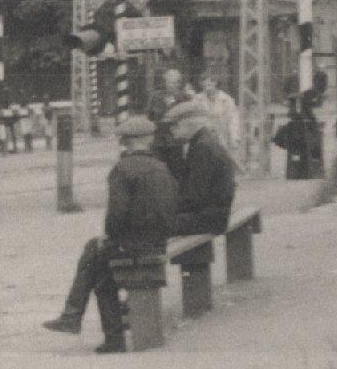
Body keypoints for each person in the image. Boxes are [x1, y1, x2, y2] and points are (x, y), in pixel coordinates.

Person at [44, 115, 177, 353]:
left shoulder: (122, 169)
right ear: (148, 140)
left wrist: (110, 236)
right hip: (157, 240)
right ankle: (75, 318)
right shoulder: (161, 167)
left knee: (94, 255)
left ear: (126, 141)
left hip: (134, 243)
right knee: (101, 271)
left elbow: (117, 213)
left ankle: (77, 318)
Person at [156, 85, 238, 238]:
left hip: (209, 219)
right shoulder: (204, 141)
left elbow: (194, 196)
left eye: (174, 126)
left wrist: (166, 210)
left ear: (188, 123)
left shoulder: (202, 148)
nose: (172, 132)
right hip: (212, 214)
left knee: (146, 228)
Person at [198, 72, 242, 156]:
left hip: (223, 139)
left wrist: (235, 138)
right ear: (201, 84)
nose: (208, 83)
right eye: (205, 80)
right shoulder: (197, 100)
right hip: (203, 141)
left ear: (216, 83)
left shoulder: (226, 99)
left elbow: (234, 120)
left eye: (212, 80)